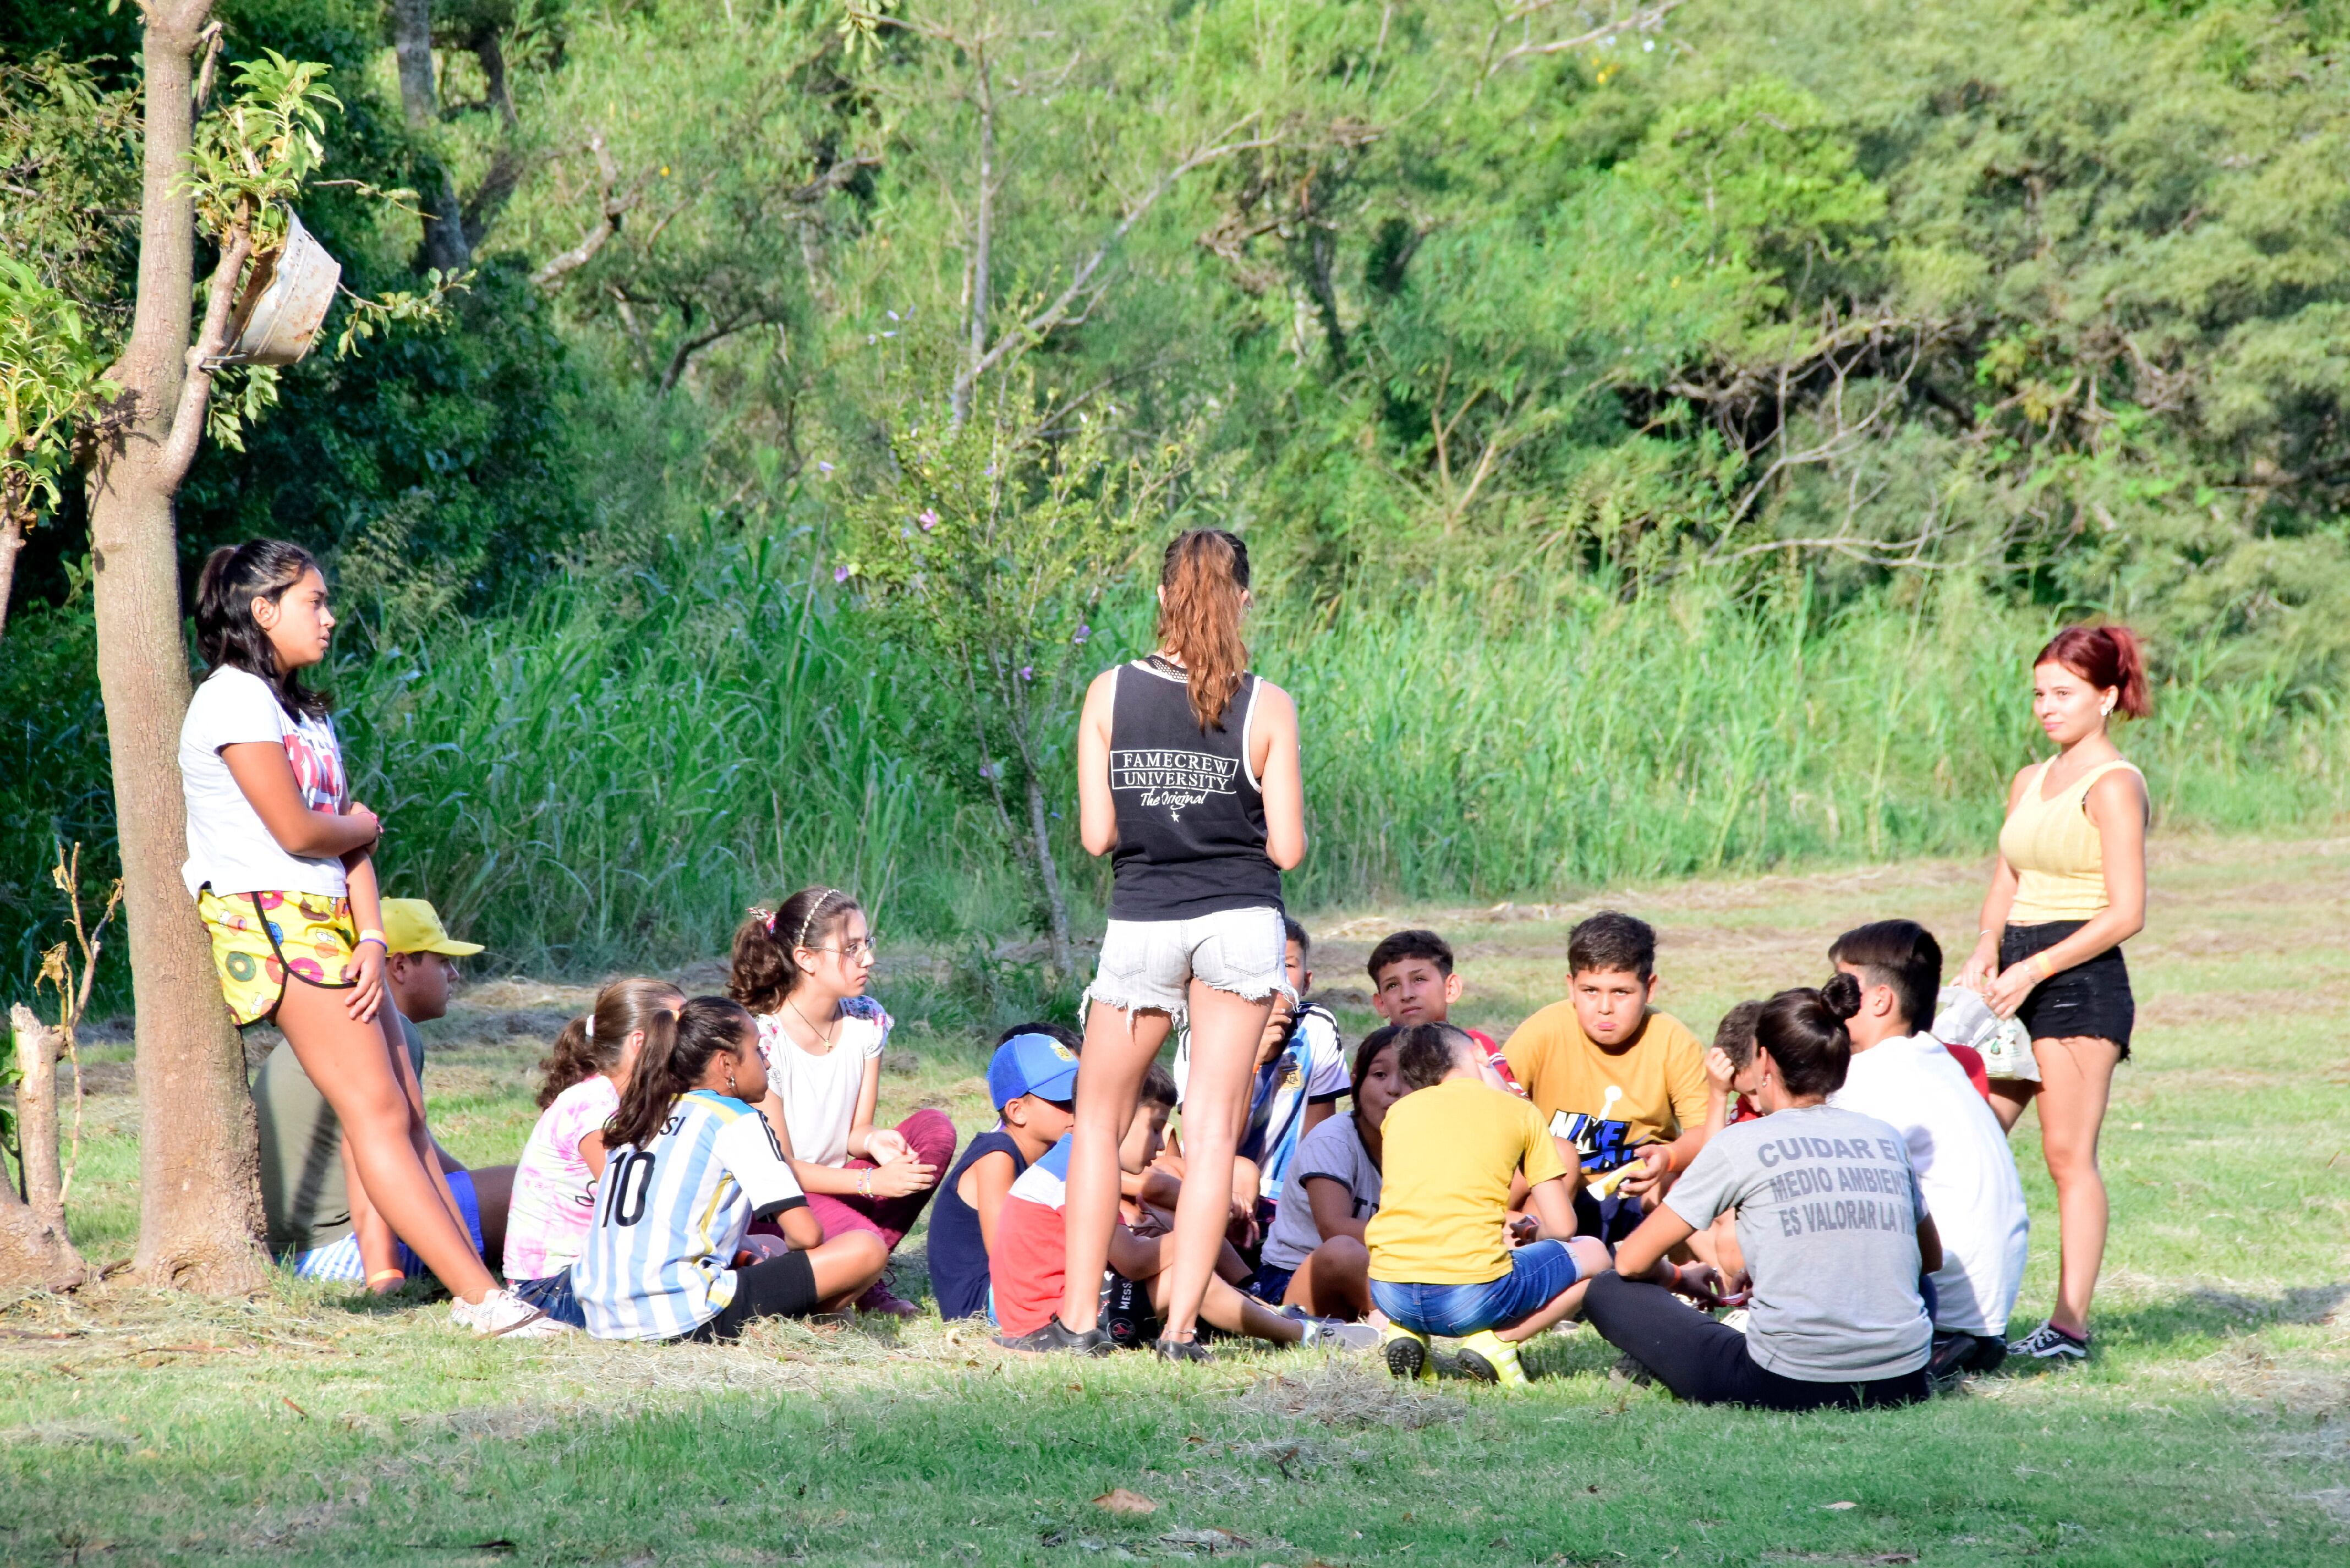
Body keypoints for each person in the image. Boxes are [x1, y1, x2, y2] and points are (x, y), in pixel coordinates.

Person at [181, 541, 548, 1336]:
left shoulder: (303, 712)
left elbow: (349, 849)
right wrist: (362, 825)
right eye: (314, 600)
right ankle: (485, 1303)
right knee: (377, 1113)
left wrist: (375, 936)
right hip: (278, 922)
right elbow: (300, 827)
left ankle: (466, 1287)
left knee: (406, 1111)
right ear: (263, 609)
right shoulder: (231, 700)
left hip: (339, 927)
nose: (330, 615)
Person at [1055, 529, 1308, 1358]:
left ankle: (1079, 1321)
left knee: (1096, 1120)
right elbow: (1287, 850)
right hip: (1238, 921)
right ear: (1243, 601)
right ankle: (1178, 1331)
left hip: (1142, 919)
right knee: (1209, 1131)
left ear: (1162, 597)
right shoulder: (1267, 704)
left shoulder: (1108, 693)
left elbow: (1097, 835)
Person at [1582, 977, 1940, 1411]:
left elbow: (1631, 1260)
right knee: (1912, 1279)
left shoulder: (1743, 1142)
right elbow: (1930, 1259)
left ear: (1764, 1062)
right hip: (1903, 1379)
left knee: (1607, 1290)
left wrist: (1678, 1277)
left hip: (1785, 1380)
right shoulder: (1885, 1138)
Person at [1959, 624, 2151, 1363]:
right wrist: (1985, 944)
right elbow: (2007, 878)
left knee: (2066, 1155)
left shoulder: (2113, 785)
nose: (2046, 706)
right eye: (2038, 692)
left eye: (2063, 693)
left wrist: (2035, 969)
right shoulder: (2028, 778)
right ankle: (1956, 1307)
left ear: (2105, 697)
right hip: (2008, 973)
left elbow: (2125, 910)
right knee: (1968, 1135)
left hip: (2075, 980)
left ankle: (2068, 1326)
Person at [993, 1065, 1371, 1356]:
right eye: (1155, 1128)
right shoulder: (1077, 1173)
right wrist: (1200, 1228)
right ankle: (1304, 1334)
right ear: (1120, 1117)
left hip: (1056, 1309)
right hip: (1047, 1326)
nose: (1161, 1145)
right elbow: (1135, 1263)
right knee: (1185, 1270)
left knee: (1176, 1232)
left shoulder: (1076, 1161)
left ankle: (1257, 1304)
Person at [573, 997, 887, 1341]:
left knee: (767, 1243)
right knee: (865, 1248)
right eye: (756, 1050)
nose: (766, 1060)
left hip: (604, 1318)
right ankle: (804, 1323)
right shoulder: (735, 1119)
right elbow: (806, 1235)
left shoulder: (640, 1117)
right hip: (681, 1315)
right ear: (726, 1064)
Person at [255, 897, 512, 1289]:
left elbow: (415, 1148)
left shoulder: (324, 1023)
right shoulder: (384, 1033)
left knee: (493, 1186)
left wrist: (473, 1185)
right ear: (400, 965)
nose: (455, 975)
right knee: (524, 1187)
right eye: (442, 962)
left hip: (284, 1256)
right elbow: (375, 1150)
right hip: (337, 1254)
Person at [726, 887, 954, 1318]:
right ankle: (844, 1276)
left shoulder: (866, 1019)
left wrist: (878, 1143)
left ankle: (856, 1275)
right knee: (856, 1231)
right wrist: (872, 1184)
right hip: (781, 1205)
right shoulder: (765, 1040)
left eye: (867, 943)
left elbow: (857, 1132)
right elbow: (780, 1167)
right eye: (850, 948)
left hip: (835, 1185)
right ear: (806, 959)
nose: (867, 958)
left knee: (934, 1128)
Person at [1826, 921, 2029, 1379]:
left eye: (1839, 987)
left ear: (1879, 1000)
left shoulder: (1870, 1076)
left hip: (1943, 1304)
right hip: (1983, 1310)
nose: (1829, 1002)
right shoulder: (1932, 1058)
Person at [1368, 1024, 1611, 1388]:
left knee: (1424, 1270)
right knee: (1594, 1255)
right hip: (1468, 1298)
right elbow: (1562, 1228)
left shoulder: (1399, 1113)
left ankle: (1407, 1331)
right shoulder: (1519, 1113)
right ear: (1480, 1055)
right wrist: (1534, 1231)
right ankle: (1497, 1343)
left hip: (1389, 1290)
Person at [1502, 912, 1708, 1243]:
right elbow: (1495, 1113)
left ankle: (1687, 1281)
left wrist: (1668, 1158)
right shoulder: (1543, 1031)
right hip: (1555, 1193)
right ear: (1571, 986)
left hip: (1635, 1189)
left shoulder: (1671, 1039)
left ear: (1649, 988)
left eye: (1621, 992)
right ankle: (1531, 1266)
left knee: (1685, 1186)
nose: (1605, 1007)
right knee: (1558, 1161)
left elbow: (1704, 1131)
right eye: (1591, 991)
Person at [502, 977, 685, 1329]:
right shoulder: (595, 1107)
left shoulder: (630, 1098)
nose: (694, 1039)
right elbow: (629, 1203)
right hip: (549, 1291)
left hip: (589, 1275)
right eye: (681, 1026)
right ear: (640, 1043)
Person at [929, 1024, 1082, 1322]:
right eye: (1065, 1102)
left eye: (1081, 1097)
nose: (1078, 1111)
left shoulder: (1052, 1151)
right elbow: (1007, 1253)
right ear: (1017, 1111)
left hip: (1020, 1286)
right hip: (985, 1300)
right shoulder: (997, 1156)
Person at [1252, 1027, 1405, 1319]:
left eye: (1410, 1078)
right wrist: (1424, 1239)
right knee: (1343, 1251)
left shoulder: (1424, 1146)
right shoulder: (1333, 1140)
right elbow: (1334, 1228)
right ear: (1356, 1082)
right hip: (1292, 1282)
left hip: (1386, 1268)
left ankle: (1399, 1310)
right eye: (1380, 1075)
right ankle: (1413, 1313)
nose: (1394, 1089)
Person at [1367, 929, 1523, 1094]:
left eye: (1419, 979)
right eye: (1392, 985)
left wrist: (1485, 1071)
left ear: (1451, 988)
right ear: (1381, 1003)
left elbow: (1522, 1111)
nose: (1406, 995)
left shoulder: (1477, 1047)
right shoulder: (1376, 1059)